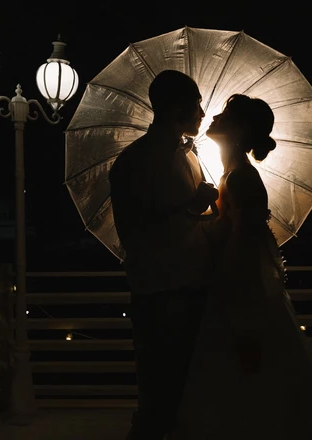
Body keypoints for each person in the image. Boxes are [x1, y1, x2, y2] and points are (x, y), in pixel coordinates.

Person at [168, 94, 312, 439]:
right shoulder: (230, 176)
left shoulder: (243, 179)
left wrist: (243, 319)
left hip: (238, 297)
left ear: (239, 130)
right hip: (227, 292)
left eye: (225, 115)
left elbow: (246, 254)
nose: (214, 118)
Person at [108, 69, 220, 440]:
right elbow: (137, 231)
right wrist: (192, 208)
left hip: (194, 284)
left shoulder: (191, 154)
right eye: (196, 105)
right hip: (160, 290)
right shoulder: (135, 162)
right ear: (176, 109)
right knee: (160, 390)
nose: (202, 113)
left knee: (189, 387)